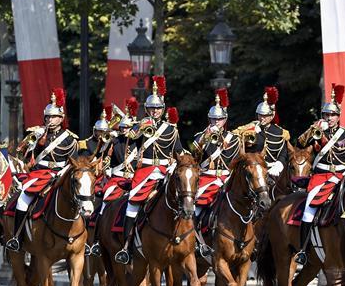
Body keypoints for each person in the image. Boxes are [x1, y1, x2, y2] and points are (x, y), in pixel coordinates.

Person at [114, 77, 184, 264]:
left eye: (158, 108)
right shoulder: (141, 125)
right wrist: (139, 126)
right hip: (144, 172)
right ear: (147, 109)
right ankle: (126, 247)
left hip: (164, 171)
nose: (155, 111)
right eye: (151, 108)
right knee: (132, 204)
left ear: (162, 110)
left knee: (185, 199)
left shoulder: (171, 130)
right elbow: (128, 138)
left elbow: (178, 152)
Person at [293, 84, 345, 265]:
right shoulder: (317, 132)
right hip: (320, 177)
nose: (329, 118)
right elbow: (299, 144)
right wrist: (313, 129)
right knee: (308, 210)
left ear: (338, 117)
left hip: (341, 176)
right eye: (326, 115)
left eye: (332, 115)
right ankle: (303, 250)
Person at [5, 88, 79, 251]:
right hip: (39, 174)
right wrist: (31, 143)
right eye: (48, 117)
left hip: (60, 175)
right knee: (23, 199)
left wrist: (63, 174)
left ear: (61, 118)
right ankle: (17, 237)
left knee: (80, 201)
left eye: (54, 117)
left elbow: (73, 163)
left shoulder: (70, 139)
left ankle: (83, 240)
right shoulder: (36, 133)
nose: (50, 120)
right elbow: (21, 154)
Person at [192, 89, 241, 259]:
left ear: (225, 120)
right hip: (207, 178)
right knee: (194, 207)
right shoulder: (200, 136)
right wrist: (204, 139)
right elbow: (194, 157)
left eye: (219, 119)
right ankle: (196, 241)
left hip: (227, 178)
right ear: (209, 119)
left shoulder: (234, 139)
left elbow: (236, 160)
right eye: (213, 119)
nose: (216, 122)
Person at [233, 87, 290, 183]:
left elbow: (283, 152)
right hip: (254, 170)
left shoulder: (280, 132)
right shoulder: (249, 129)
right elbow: (241, 148)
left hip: (274, 171)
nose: (262, 118)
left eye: (265, 116)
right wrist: (251, 133)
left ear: (272, 116)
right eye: (260, 115)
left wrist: (279, 164)